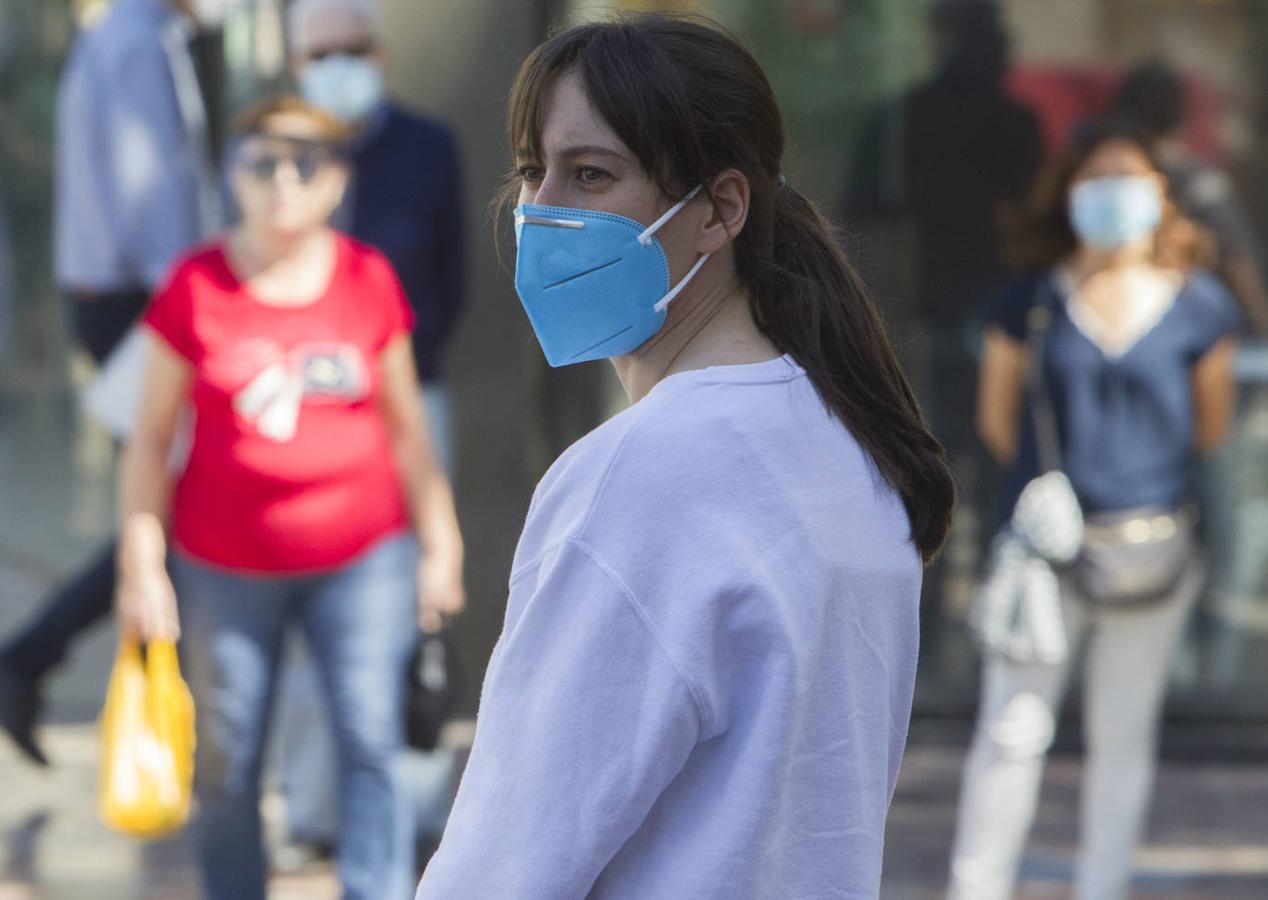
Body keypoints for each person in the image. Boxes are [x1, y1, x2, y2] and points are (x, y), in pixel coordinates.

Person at [417, 14, 955, 898]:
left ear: (720, 209)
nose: (542, 208)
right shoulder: (847, 442)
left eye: (591, 174)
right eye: (531, 170)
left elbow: (507, 860)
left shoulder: (640, 474)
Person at [115, 95, 465, 900]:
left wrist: (440, 542)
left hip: (364, 559)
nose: (280, 181)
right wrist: (142, 565)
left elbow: (408, 429)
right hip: (222, 564)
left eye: (304, 162)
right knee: (230, 763)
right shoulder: (194, 284)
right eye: (259, 161)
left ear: (337, 180)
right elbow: (147, 441)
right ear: (231, 174)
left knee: (372, 746)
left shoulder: (368, 279)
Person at [947, 120, 1239, 900]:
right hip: (1044, 554)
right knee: (1012, 730)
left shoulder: (1200, 305)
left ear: (1159, 195)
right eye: (1094, 178)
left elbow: (1209, 425)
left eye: (1127, 178)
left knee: (1123, 736)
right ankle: (977, 887)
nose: (1111, 194)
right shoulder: (1030, 301)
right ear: (1069, 194)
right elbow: (997, 421)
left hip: (1153, 549)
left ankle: (1101, 887)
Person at [0, 0, 230, 766]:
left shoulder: (133, 36)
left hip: (126, 303)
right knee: (167, 502)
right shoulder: (138, 44)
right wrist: (201, 309)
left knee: (170, 499)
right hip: (143, 305)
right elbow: (154, 196)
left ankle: (35, 663)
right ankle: (35, 663)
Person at [267, 0, 468, 858]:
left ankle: (412, 810)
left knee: (418, 607)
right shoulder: (278, 155)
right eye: (321, 53)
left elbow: (452, 277)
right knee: (308, 611)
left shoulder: (427, 147)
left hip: (411, 401)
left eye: (352, 50)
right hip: (301, 417)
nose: (337, 65)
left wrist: (397, 368)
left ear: (380, 55)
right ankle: (313, 808)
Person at [846, 0, 1043, 647]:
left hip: (982, 323)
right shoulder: (904, 121)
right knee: (920, 484)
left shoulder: (1005, 123)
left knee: (981, 481)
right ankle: (927, 640)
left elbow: (1031, 228)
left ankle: (974, 635)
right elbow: (861, 231)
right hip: (914, 326)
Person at [1114, 60, 1268, 336]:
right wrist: (1260, 321)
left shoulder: (1104, 174)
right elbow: (1237, 260)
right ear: (1179, 114)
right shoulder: (1200, 183)